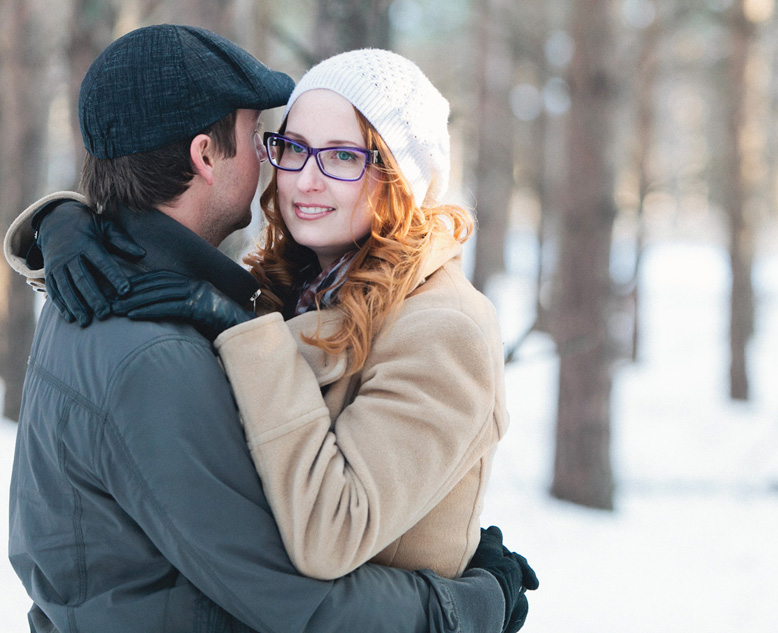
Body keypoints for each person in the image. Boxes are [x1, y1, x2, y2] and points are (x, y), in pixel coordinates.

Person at [4, 24, 535, 633]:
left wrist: (65, 221)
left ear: (399, 176)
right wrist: (466, 606)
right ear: (205, 155)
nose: (301, 176)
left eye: (343, 156)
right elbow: (276, 586)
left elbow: (326, 532)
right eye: (287, 145)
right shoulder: (252, 297)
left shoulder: (444, 326)